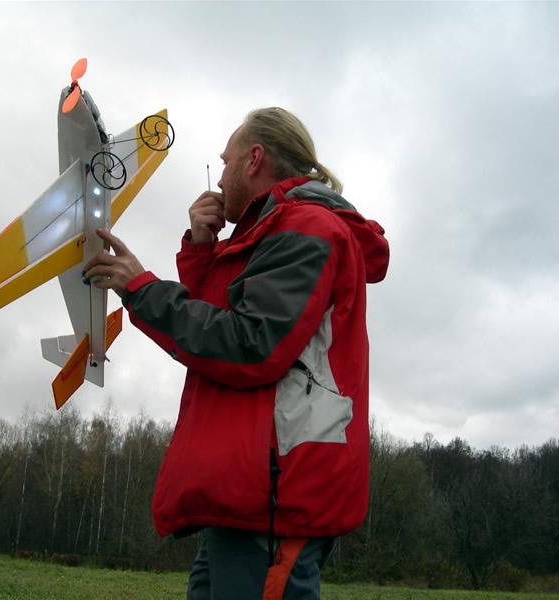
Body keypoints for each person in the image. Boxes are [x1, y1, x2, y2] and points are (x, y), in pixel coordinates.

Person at [84, 107, 389, 600]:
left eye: (226, 162)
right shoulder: (268, 234)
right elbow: (213, 334)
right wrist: (202, 248)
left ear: (254, 159)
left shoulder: (307, 228)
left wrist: (141, 288)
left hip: (273, 492)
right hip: (249, 490)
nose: (220, 177)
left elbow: (249, 345)